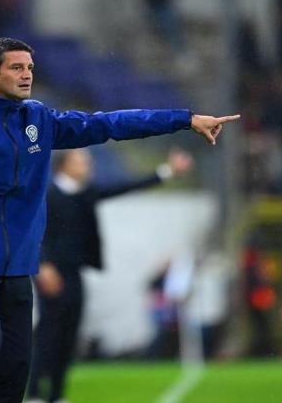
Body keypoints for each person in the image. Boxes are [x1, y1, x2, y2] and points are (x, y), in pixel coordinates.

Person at [0, 37, 240, 403]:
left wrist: (184, 120)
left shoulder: (38, 120)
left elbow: (107, 124)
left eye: (29, 68)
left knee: (17, 363)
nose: (27, 75)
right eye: (16, 68)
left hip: (17, 262)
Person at [26, 147, 193, 403]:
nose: (88, 165)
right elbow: (34, 231)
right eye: (81, 161)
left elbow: (125, 186)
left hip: (75, 273)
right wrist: (43, 265)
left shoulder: (85, 193)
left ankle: (57, 395)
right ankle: (35, 393)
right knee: (48, 334)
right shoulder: (47, 194)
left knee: (69, 335)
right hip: (50, 274)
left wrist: (167, 172)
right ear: (64, 165)